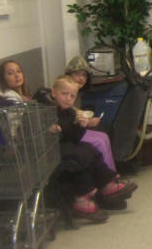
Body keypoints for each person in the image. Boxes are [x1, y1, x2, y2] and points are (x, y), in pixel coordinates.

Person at [50, 75, 132, 219]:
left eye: (72, 96)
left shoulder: (70, 113)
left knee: (91, 150)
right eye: (64, 94)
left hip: (67, 145)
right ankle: (83, 197)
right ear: (54, 93)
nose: (68, 99)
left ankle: (106, 184)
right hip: (52, 149)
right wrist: (53, 129)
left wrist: (80, 126)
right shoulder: (49, 112)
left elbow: (74, 136)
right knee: (82, 155)